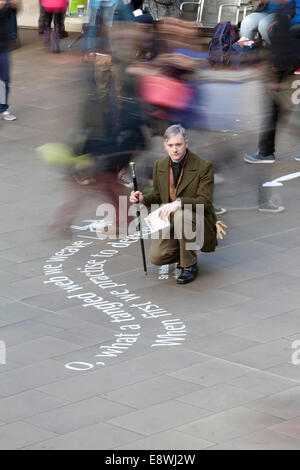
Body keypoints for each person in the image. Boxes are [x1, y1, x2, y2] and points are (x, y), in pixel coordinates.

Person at [129, 124, 219, 285]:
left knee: (181, 215)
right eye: (170, 145)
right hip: (169, 222)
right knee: (156, 257)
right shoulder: (160, 165)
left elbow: (205, 202)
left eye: (178, 144)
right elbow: (157, 195)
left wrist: (178, 203)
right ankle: (184, 249)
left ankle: (189, 265)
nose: (175, 149)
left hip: (197, 221)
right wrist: (142, 199)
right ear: (165, 146)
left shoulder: (204, 167)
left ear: (186, 143)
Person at [0, 0, 17, 121]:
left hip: (3, 47)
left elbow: (11, 13)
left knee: (4, 80)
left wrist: (11, 5)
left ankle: (2, 109)